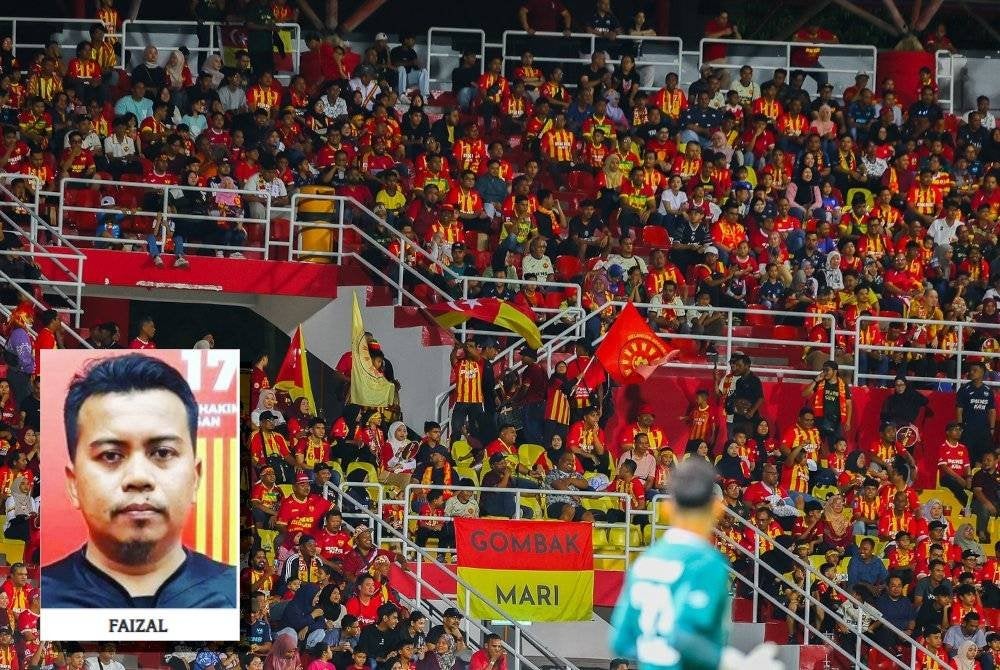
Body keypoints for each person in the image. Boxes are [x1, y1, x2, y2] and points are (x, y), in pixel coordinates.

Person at [41, 353, 237, 608]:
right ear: (73, 483)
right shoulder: (40, 599)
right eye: (110, 455)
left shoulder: (234, 594)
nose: (138, 477)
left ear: (195, 477)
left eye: (162, 453)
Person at [609, 459, 782, 670]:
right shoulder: (706, 564)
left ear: (667, 509)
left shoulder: (645, 561)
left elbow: (620, 641)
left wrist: (656, 647)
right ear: (716, 509)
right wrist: (731, 662)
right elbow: (683, 636)